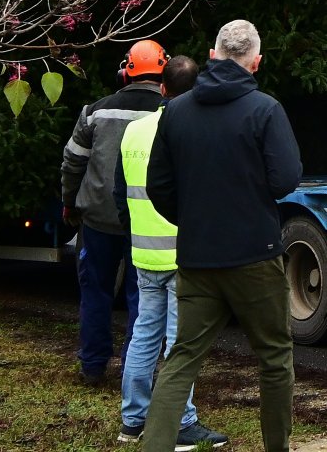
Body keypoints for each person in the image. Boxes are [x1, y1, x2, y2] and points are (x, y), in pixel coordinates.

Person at [139, 21, 302, 452]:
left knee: (182, 359)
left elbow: (158, 185)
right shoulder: (266, 110)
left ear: (212, 56)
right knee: (273, 359)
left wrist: (192, 219)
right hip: (256, 256)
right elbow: (286, 178)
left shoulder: (175, 111)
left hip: (197, 257)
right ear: (256, 62)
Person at [112, 54, 226, 450]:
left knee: (143, 334)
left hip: (143, 250)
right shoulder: (192, 130)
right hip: (182, 253)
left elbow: (119, 193)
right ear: (196, 92)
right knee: (182, 343)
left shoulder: (134, 131)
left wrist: (133, 236)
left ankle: (133, 420)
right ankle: (182, 423)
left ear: (162, 88)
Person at [61, 38, 168, 385]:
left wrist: (69, 202)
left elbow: (72, 162)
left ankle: (93, 367)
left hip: (98, 220)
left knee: (96, 292)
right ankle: (136, 371)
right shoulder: (171, 113)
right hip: (146, 223)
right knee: (144, 299)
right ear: (164, 73)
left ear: (126, 72)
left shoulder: (96, 111)